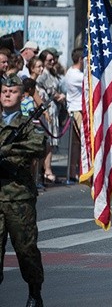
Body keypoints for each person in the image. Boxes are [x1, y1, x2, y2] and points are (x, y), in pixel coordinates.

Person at [0, 74, 46, 307]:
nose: (7, 94)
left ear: (22, 95)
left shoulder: (27, 123)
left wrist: (7, 150)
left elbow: (40, 145)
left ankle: (34, 292)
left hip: (19, 197)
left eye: (13, 91)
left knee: (26, 249)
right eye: (4, 91)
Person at [36, 50, 66, 183]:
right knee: (47, 142)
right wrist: (59, 96)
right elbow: (52, 92)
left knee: (51, 142)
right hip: (47, 109)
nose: (52, 62)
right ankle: (46, 170)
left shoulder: (53, 73)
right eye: (49, 60)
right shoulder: (43, 75)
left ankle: (47, 169)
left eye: (53, 59)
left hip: (54, 110)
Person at [63, 48, 85, 181]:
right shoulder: (76, 75)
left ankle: (75, 170)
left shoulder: (71, 72)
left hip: (77, 110)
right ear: (81, 59)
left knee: (77, 143)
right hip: (77, 111)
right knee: (79, 143)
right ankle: (74, 171)